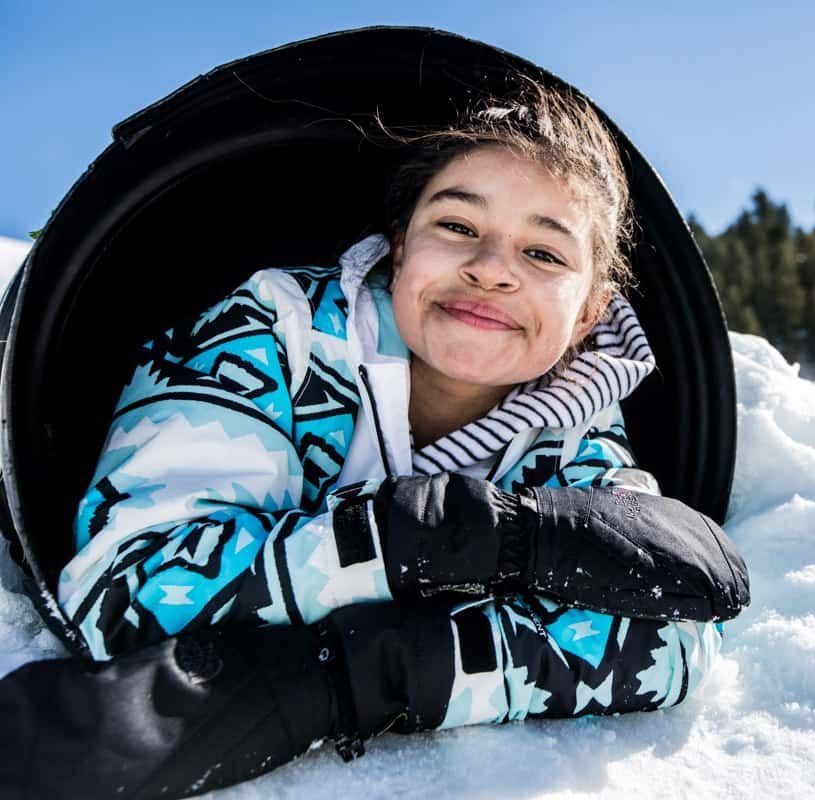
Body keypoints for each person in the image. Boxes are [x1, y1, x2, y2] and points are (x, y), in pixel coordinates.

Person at [0, 75, 749, 798]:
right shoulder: (275, 330)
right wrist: (415, 543)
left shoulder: (577, 414)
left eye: (544, 253)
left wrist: (367, 674)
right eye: (457, 226)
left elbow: (672, 632)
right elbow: (129, 594)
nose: (491, 271)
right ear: (399, 248)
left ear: (587, 312)